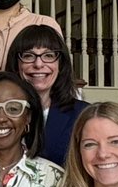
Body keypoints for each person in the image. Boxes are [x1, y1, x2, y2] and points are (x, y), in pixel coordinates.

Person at [6, 24, 85, 167]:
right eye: (28, 56)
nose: (38, 64)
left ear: (60, 63)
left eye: (48, 55)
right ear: (16, 63)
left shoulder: (83, 114)